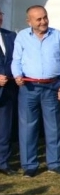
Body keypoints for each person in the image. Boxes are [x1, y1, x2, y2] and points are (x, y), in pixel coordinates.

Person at [11, 5, 60, 177]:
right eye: (38, 19)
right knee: (27, 127)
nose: (43, 21)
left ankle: (55, 163)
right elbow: (16, 60)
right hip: (28, 87)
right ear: (29, 21)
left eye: (45, 17)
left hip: (52, 87)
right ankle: (29, 165)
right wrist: (17, 75)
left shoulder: (58, 36)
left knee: (54, 126)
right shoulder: (22, 37)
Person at [0, 9, 17, 175]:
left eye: (0, 14)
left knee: (4, 129)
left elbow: (16, 60)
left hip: (8, 90)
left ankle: (3, 162)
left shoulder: (11, 36)